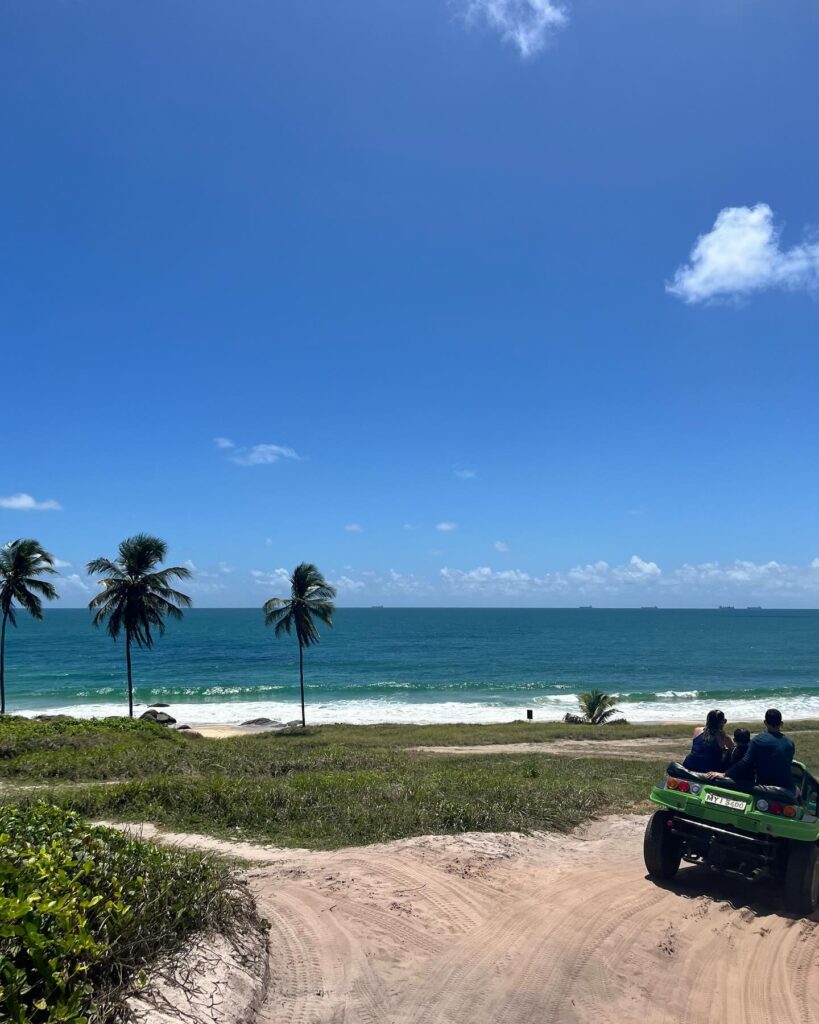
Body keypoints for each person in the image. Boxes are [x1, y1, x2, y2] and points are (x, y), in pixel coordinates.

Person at [709, 709, 796, 793]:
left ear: (765, 722)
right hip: (786, 788)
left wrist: (724, 774)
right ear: (781, 723)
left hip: (765, 787)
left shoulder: (758, 740)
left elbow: (745, 762)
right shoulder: (790, 743)